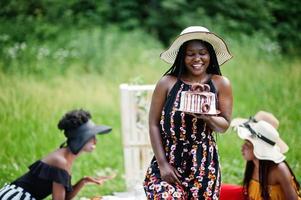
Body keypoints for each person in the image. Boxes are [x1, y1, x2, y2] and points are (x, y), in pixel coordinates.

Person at [143, 26, 233, 199]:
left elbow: (224, 126)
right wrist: (162, 164)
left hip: (203, 163)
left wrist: (207, 117)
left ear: (210, 55)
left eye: (202, 53)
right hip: (169, 158)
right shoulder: (167, 83)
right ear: (182, 56)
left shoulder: (221, 83)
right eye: (190, 54)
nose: (197, 58)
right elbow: (153, 124)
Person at [0, 109, 112, 200]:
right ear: (81, 138)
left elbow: (64, 197)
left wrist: (84, 181)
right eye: (92, 137)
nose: (96, 141)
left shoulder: (66, 157)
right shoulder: (61, 161)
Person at [233, 115, 301, 200]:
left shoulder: (279, 169)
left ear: (259, 149)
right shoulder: (252, 164)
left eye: (247, 144)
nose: (242, 147)